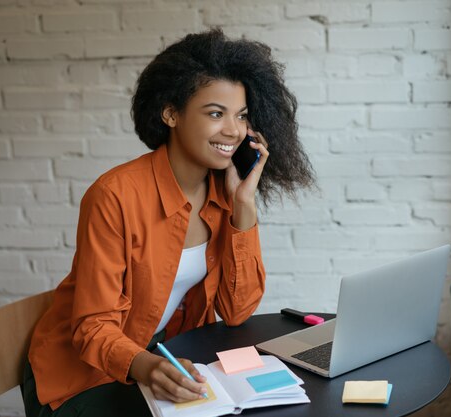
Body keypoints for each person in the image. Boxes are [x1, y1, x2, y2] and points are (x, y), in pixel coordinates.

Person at [23, 28, 315, 417]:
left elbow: (237, 311)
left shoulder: (223, 192)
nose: (233, 130)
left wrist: (243, 208)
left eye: (241, 116)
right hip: (84, 376)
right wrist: (148, 367)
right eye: (215, 113)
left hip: (167, 354)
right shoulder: (114, 195)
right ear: (170, 113)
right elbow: (92, 328)